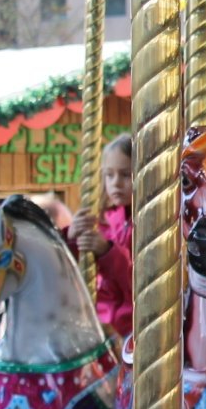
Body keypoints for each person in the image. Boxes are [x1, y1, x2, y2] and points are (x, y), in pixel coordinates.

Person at [67, 133, 134, 338]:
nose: (116, 183)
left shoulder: (153, 226)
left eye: (125, 174)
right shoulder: (103, 221)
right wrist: (71, 239)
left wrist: (108, 252)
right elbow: (70, 275)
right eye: (109, 175)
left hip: (132, 326)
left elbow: (139, 285)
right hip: (99, 324)